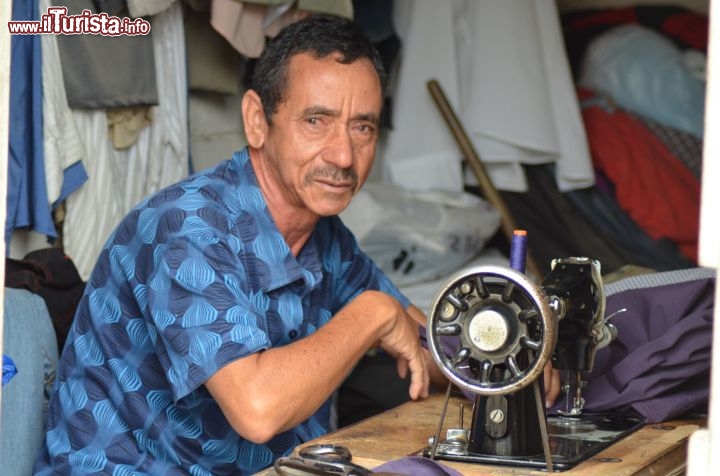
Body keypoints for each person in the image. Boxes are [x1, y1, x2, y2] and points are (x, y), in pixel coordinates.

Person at [33, 14, 559, 475]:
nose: (345, 156)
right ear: (258, 121)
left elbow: (422, 340)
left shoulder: (323, 236)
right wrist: (374, 314)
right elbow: (258, 409)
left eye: (363, 128)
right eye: (317, 121)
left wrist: (504, 364)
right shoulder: (186, 230)